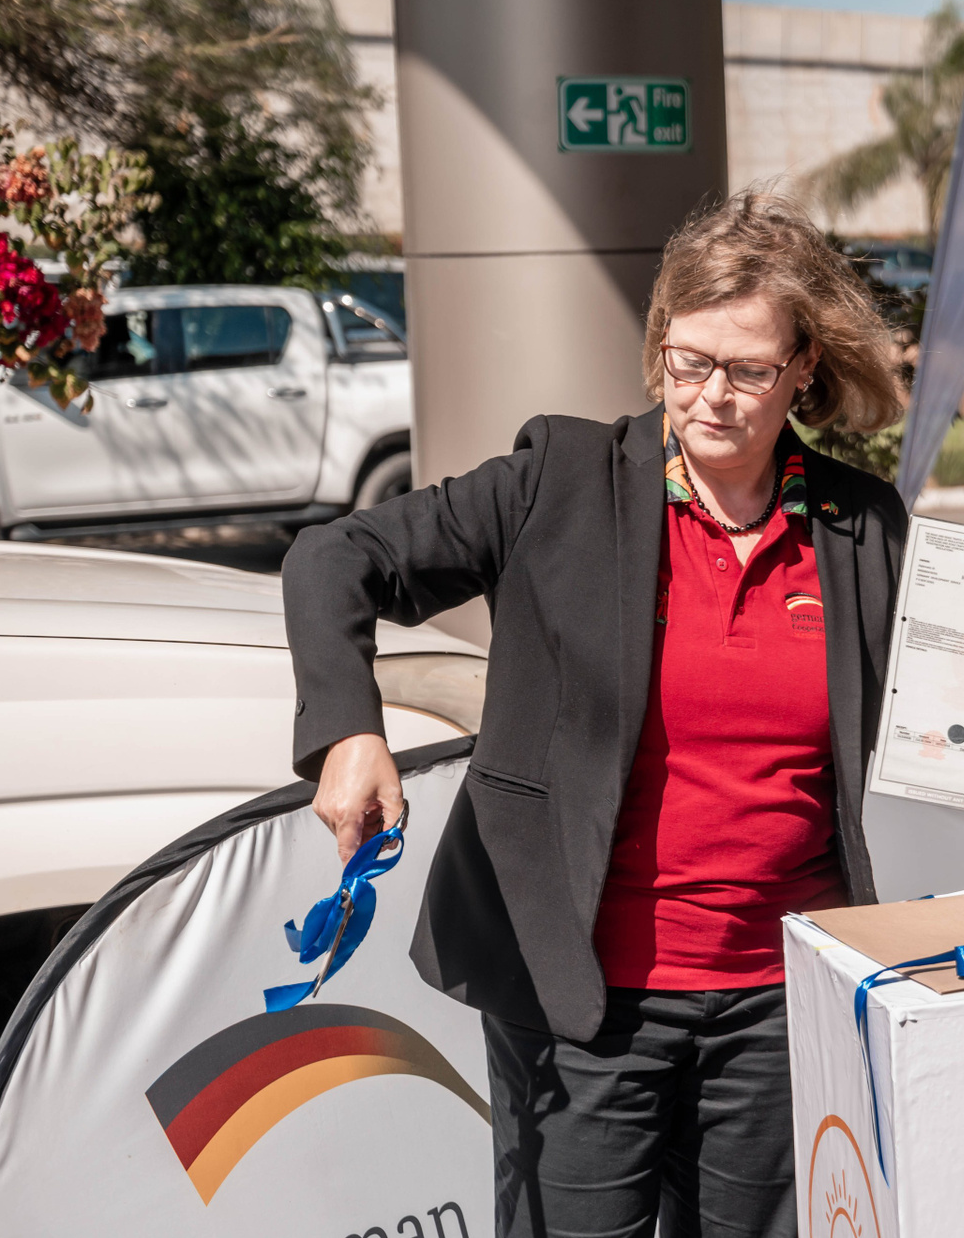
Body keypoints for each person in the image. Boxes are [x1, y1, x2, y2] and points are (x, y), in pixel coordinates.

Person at [282, 191, 909, 1238]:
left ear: (804, 365)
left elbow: (950, 704)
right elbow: (335, 557)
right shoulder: (560, 481)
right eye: (689, 361)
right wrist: (350, 730)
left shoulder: (861, 525)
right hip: (577, 1000)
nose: (713, 396)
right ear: (659, 347)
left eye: (749, 369)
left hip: (774, 1000)